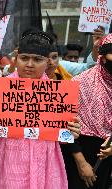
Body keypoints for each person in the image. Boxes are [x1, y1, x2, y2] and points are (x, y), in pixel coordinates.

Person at [0, 30, 81, 189]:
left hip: (44, 165)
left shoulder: (58, 94)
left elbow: (63, 137)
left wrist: (71, 132)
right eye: (24, 58)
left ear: (47, 62)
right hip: (6, 164)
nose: (30, 64)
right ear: (16, 58)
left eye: (37, 59)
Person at [61, 33, 112, 189]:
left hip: (107, 160)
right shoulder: (79, 82)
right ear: (102, 58)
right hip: (78, 156)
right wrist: (81, 163)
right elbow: (64, 126)